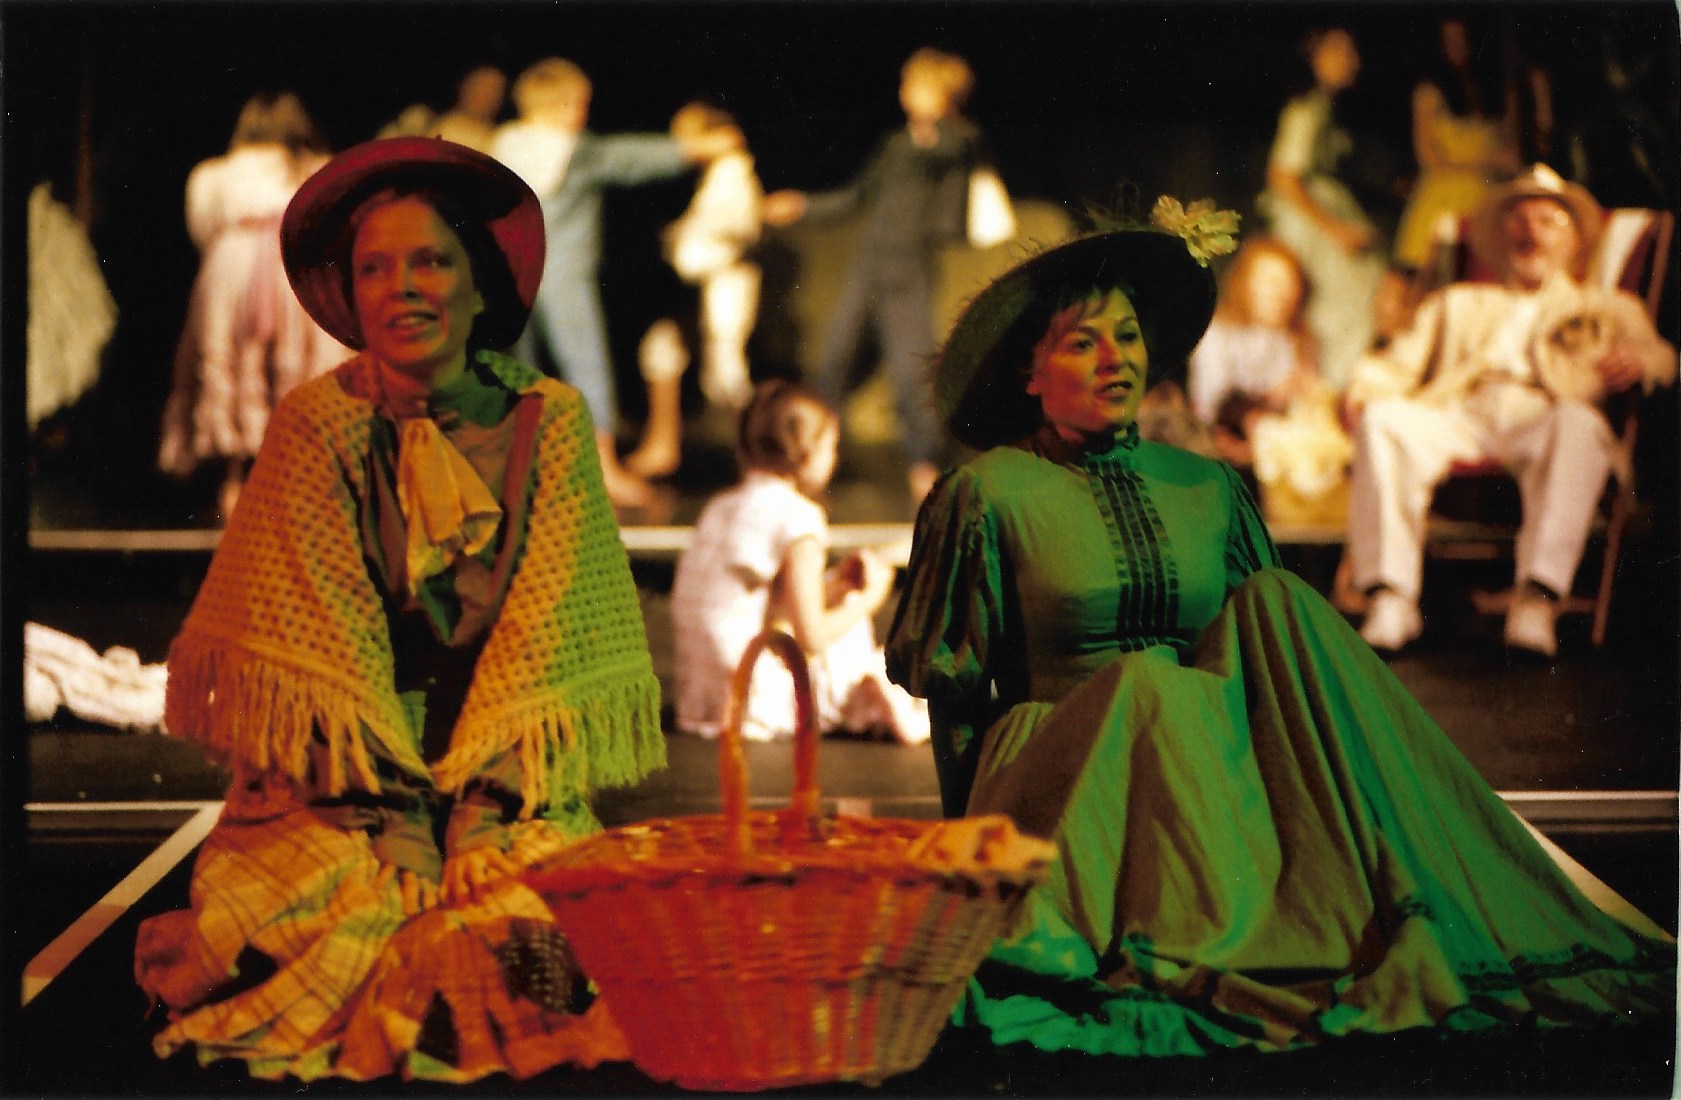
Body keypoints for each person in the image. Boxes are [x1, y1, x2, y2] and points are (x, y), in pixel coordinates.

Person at [884, 201, 1672, 1059]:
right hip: (1060, 782)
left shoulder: (1206, 485)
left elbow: (1258, 664)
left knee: (1279, 601)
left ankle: (1381, 876)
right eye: (1082, 343)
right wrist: (962, 852)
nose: (1116, 361)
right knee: (1148, 683)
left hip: (1196, 778)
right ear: (1028, 373)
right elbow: (954, 691)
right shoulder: (985, 493)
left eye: (1129, 337)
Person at [133, 137, 665, 1082]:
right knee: (296, 922)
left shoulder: (548, 421)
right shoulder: (316, 424)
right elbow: (318, 649)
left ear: (477, 287)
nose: (403, 288)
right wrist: (397, 824)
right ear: (350, 294)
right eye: (375, 268)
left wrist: (479, 817)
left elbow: (548, 636)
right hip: (340, 786)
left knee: (536, 926)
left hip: (502, 782)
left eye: (431, 262)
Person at [1344, 164, 1676, 657]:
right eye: (1519, 220)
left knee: (1579, 424)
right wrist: (1363, 391)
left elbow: (1664, 357)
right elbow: (1395, 366)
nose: (1531, 232)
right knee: (1383, 420)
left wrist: (1642, 362)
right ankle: (1392, 599)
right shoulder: (1458, 303)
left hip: (1545, 416)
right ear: (1501, 237)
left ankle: (1536, 601)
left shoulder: (1607, 305)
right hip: (1460, 413)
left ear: (1574, 240)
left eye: (1547, 221)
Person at [489, 58, 727, 511]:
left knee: (520, 372)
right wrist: (697, 147)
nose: (583, 112)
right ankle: (603, 469)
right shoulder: (574, 151)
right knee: (586, 366)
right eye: (578, 103)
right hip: (560, 275)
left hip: (511, 274)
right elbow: (632, 157)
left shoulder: (504, 145)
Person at [763, 47, 986, 510]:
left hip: (909, 270)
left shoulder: (954, 140)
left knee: (911, 371)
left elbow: (951, 149)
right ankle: (810, 461)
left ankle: (924, 467)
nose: (906, 93)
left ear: (942, 93)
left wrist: (939, 115)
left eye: (917, 85)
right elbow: (856, 197)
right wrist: (802, 207)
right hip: (871, 266)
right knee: (833, 362)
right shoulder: (897, 145)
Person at [672, 380, 928, 744]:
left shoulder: (720, 507)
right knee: (852, 629)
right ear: (807, 451)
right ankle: (882, 698)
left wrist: (834, 585)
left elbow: (764, 606)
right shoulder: (799, 518)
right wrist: (872, 597)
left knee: (839, 602)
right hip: (755, 701)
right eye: (831, 447)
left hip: (702, 700)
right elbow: (812, 637)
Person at [157, 91, 348, 522]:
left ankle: (235, 480)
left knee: (233, 359)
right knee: (297, 366)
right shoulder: (318, 169)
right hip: (294, 266)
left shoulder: (217, 174)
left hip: (234, 270)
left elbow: (202, 227)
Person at [624, 101, 765, 479]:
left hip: (724, 287)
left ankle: (762, 459)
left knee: (725, 377)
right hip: (694, 288)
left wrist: (684, 241)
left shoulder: (734, 175)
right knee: (660, 349)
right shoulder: (711, 178)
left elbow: (738, 230)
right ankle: (662, 446)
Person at [1188, 235, 1351, 526]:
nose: (1281, 293)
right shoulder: (1218, 335)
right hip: (1230, 448)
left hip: (1287, 457)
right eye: (1270, 282)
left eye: (1289, 283)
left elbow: (1312, 405)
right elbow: (1211, 408)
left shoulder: (1301, 341)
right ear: (1245, 283)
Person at [1257, 28, 1387, 391]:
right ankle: (1332, 385)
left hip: (1321, 215)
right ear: (1314, 58)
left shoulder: (1324, 108)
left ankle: (1341, 385)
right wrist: (1336, 229)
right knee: (1343, 301)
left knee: (1355, 299)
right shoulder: (1305, 109)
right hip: (1311, 226)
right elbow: (1282, 175)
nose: (1353, 61)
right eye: (1341, 51)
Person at [433, 65, 506, 154]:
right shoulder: (442, 126)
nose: (488, 96)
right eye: (482, 87)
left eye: (495, 91)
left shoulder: (499, 139)